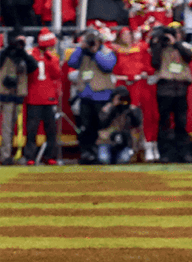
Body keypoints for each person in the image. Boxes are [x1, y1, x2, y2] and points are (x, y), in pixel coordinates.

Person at [67, 29, 118, 164]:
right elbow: (71, 62)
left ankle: (102, 154)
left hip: (102, 96)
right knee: (85, 128)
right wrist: (81, 48)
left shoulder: (106, 52)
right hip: (85, 96)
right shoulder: (82, 53)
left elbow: (108, 66)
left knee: (102, 127)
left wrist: (96, 52)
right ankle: (87, 153)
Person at [150, 24, 192, 162]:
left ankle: (184, 152)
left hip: (181, 87)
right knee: (164, 122)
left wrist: (176, 43)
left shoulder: (185, 46)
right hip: (165, 87)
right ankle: (165, 154)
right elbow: (155, 63)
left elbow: (189, 56)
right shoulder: (160, 47)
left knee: (181, 122)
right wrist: (158, 43)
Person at [24, 31, 61, 164]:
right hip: (35, 97)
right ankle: (30, 156)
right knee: (32, 129)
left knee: (51, 129)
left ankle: (50, 155)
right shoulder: (30, 55)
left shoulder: (52, 57)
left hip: (48, 97)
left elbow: (56, 74)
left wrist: (50, 59)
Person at [0, 34, 28, 165]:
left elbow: (33, 66)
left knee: (8, 129)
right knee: (7, 128)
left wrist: (21, 52)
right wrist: (6, 50)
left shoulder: (22, 57)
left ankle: (5, 155)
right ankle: (5, 155)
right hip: (4, 93)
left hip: (11, 96)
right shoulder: (3, 55)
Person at [97, 88, 143, 164]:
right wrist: (112, 110)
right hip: (107, 141)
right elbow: (102, 124)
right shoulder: (107, 108)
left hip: (125, 143)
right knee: (104, 159)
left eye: (123, 99)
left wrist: (130, 112)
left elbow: (137, 124)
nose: (121, 101)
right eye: (119, 98)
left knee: (123, 159)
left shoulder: (132, 109)